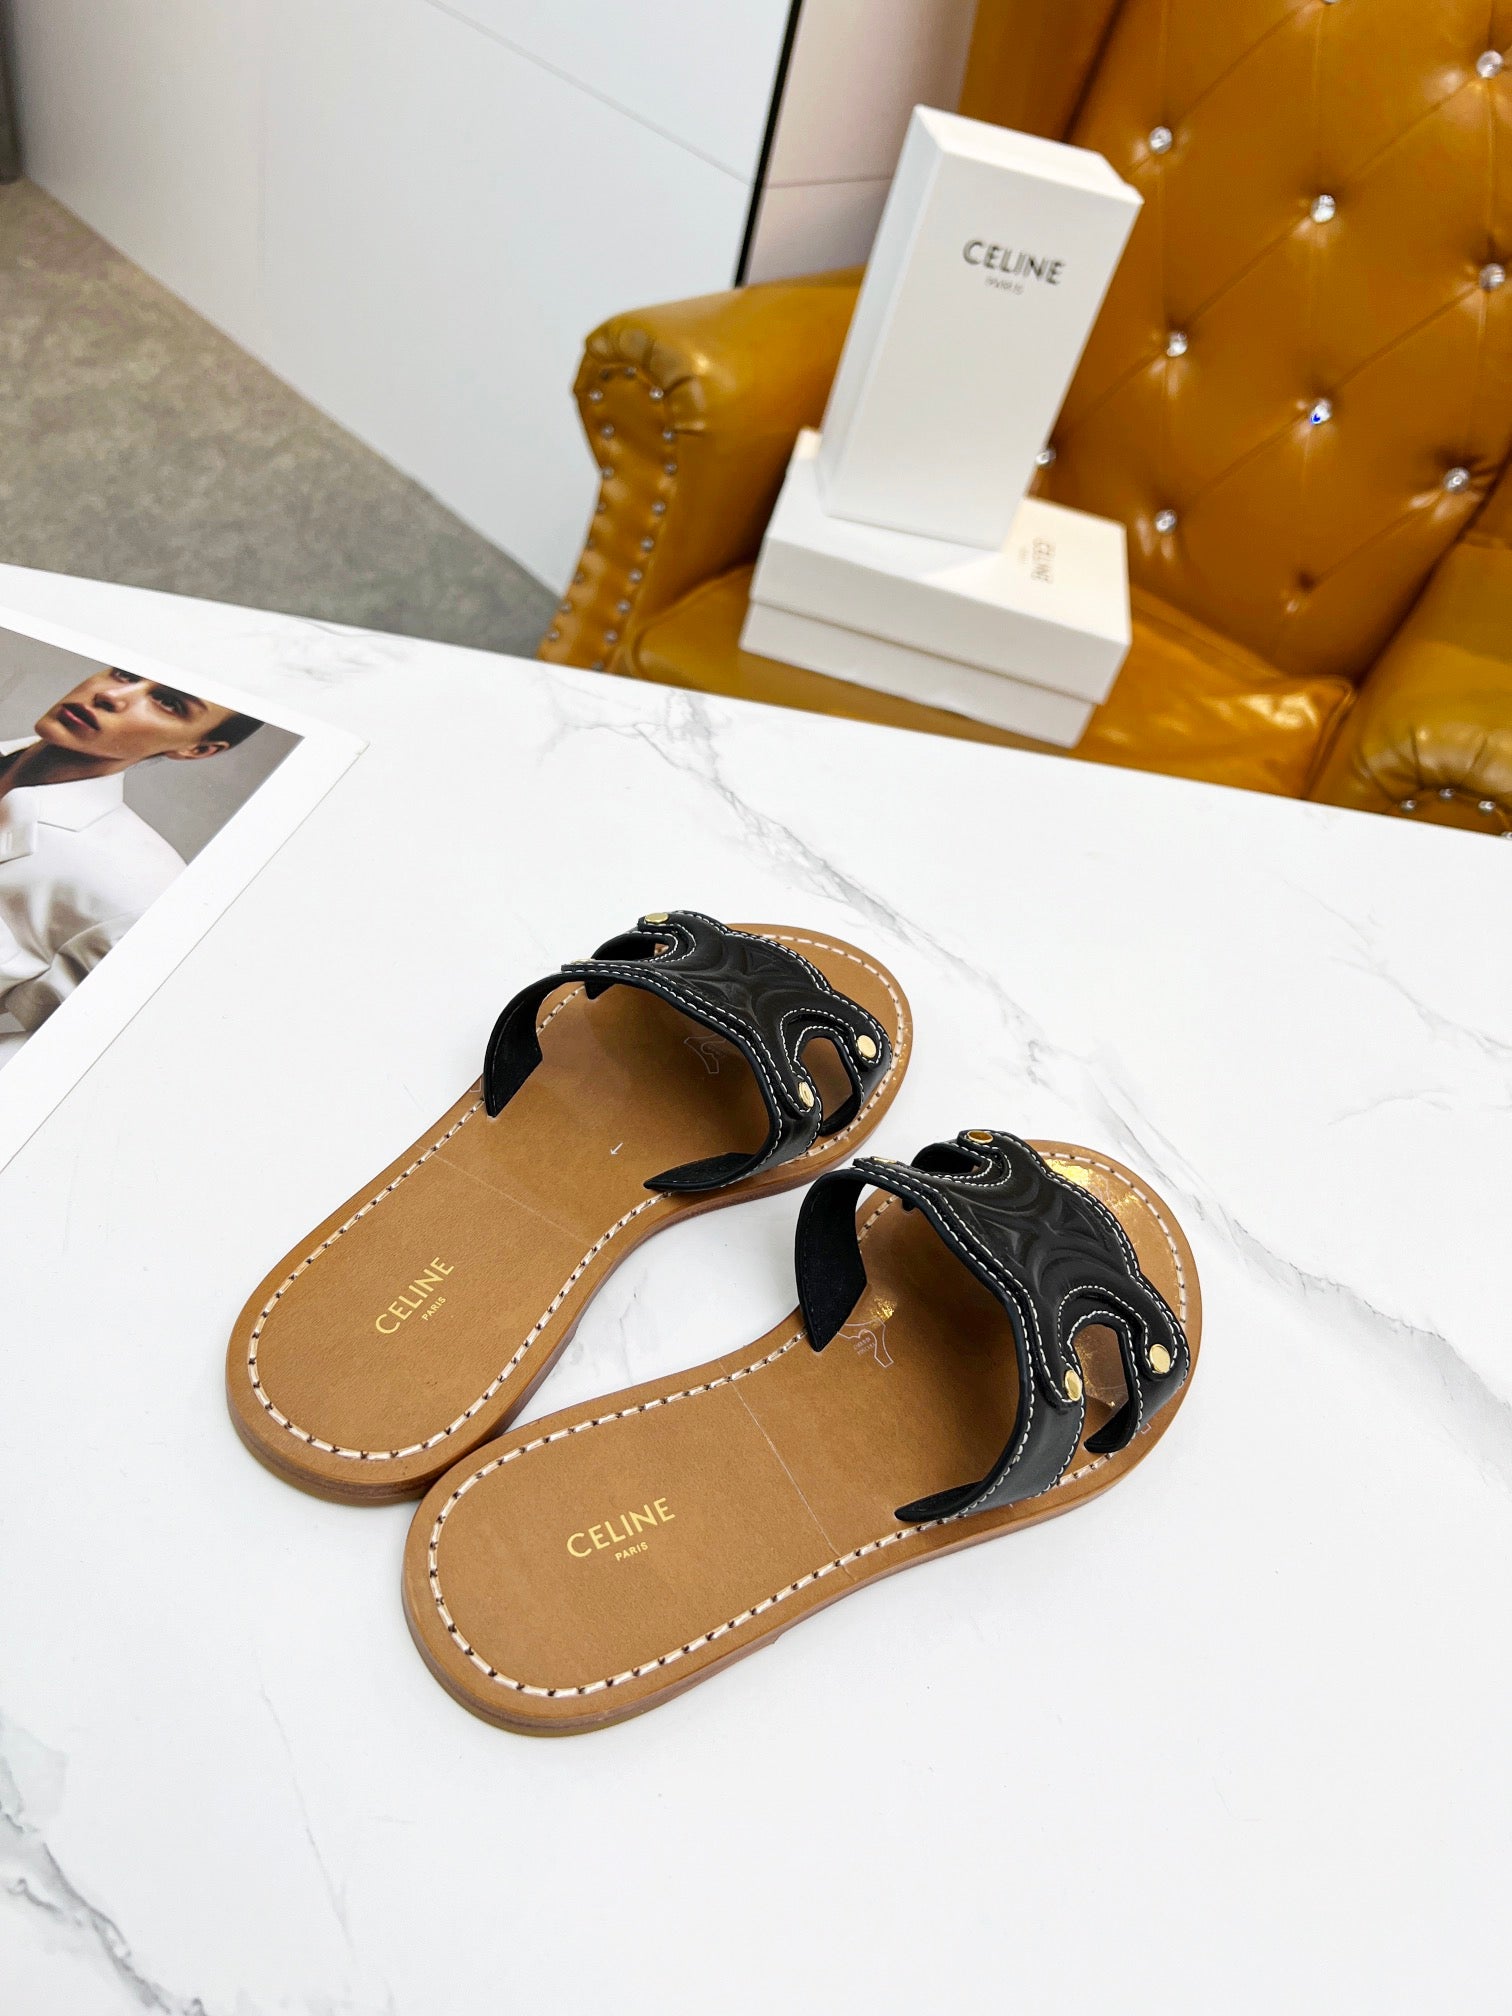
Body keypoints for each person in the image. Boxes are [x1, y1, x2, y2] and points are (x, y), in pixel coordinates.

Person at [0, 664, 261, 1051]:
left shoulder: (140, 887)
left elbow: (74, 1050)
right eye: (125, 674)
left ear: (197, 749)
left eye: (169, 702)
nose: (110, 695)